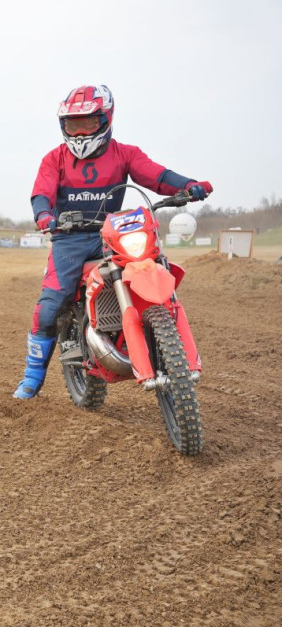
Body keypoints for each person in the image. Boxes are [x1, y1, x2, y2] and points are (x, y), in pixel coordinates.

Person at [13, 85, 213, 400]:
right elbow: (42, 193)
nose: (79, 132)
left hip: (112, 233)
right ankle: (30, 379)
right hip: (70, 238)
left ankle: (151, 337)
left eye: (88, 124)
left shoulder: (125, 154)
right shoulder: (55, 159)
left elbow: (156, 175)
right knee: (52, 304)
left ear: (106, 119)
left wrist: (189, 185)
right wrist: (44, 216)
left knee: (150, 264)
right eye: (73, 125)